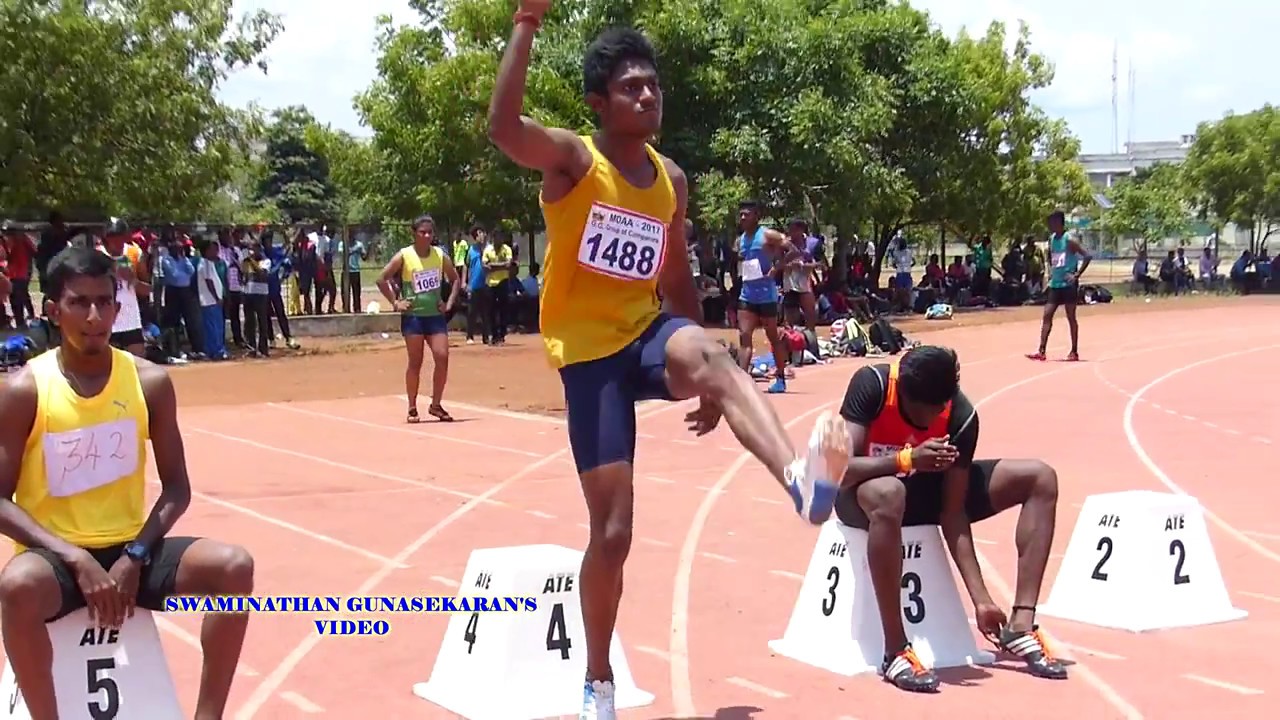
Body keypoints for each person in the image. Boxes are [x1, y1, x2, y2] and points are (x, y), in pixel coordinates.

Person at [488, 8, 849, 718]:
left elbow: (676, 276)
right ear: (600, 104)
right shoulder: (573, 159)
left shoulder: (670, 179)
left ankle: (802, 484)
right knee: (614, 534)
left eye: (654, 86)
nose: (649, 97)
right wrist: (526, 21)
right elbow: (504, 130)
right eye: (632, 89)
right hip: (590, 358)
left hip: (647, 331)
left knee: (714, 354)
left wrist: (710, 363)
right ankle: (597, 681)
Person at [0, 246, 255, 719]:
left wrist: (136, 555)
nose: (94, 316)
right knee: (16, 587)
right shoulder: (25, 390)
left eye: (105, 302)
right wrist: (73, 557)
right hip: (56, 561)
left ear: (119, 309)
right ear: (53, 311)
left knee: (233, 567)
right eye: (79, 303)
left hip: (130, 552)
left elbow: (177, 488)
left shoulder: (149, 382)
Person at [836, 345, 1066, 693]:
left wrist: (981, 599)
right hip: (864, 495)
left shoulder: (959, 415)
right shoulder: (873, 386)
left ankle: (1021, 622)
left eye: (944, 405)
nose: (937, 415)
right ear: (908, 398)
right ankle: (896, 650)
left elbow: (953, 511)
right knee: (889, 493)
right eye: (929, 410)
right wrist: (906, 459)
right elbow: (839, 469)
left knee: (1040, 477)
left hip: (925, 496)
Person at [376, 214, 462, 423]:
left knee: (442, 356)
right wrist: (396, 302)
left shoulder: (440, 256)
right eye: (422, 232)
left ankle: (436, 405)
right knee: (416, 362)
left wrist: (448, 303)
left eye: (430, 232)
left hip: (434, 316)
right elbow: (381, 278)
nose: (426, 236)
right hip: (414, 316)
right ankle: (412, 407)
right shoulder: (405, 255)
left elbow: (455, 279)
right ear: (414, 233)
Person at [735, 200, 800, 393]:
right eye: (741, 214)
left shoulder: (767, 235)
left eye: (747, 214)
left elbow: (793, 251)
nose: (743, 217)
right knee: (744, 336)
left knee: (772, 336)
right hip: (747, 294)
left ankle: (780, 378)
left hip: (767, 295)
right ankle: (742, 382)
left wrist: (776, 268)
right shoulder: (741, 239)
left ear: (757, 216)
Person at [1027, 210, 1091, 361]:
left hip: (1068, 285)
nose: (1049, 225)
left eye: (1052, 222)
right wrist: (1051, 273)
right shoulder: (1051, 239)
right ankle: (1041, 350)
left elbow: (1087, 255)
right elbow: (1052, 257)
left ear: (1059, 222)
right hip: (1055, 284)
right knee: (1047, 314)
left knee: (1071, 317)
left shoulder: (1069, 240)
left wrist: (1076, 275)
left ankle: (1074, 351)